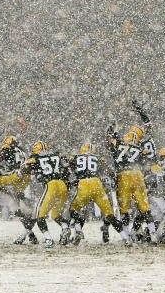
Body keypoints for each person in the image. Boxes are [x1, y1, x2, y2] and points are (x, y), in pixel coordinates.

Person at [106, 101, 159, 244]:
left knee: (124, 208)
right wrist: (141, 111)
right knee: (144, 207)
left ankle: (127, 236)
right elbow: (144, 161)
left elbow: (109, 143)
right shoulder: (142, 146)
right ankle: (153, 233)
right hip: (138, 174)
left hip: (124, 175)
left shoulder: (122, 141)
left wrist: (112, 129)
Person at [67, 143, 129, 245]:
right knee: (110, 215)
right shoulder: (98, 158)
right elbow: (107, 170)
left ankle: (78, 230)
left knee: (73, 210)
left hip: (84, 184)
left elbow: (68, 169)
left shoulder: (75, 157)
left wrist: (71, 179)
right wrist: (115, 177)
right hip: (97, 184)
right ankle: (125, 237)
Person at [20, 141, 71, 248]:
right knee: (56, 215)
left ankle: (48, 239)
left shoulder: (35, 156)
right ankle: (65, 227)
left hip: (51, 185)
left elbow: (25, 169)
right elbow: (67, 166)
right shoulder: (57, 154)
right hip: (62, 185)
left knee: (40, 216)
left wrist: (32, 170)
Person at [0, 136, 38, 245]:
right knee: (19, 203)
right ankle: (30, 233)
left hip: (16, 174)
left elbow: (0, 157)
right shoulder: (22, 150)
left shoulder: (8, 148)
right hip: (26, 176)